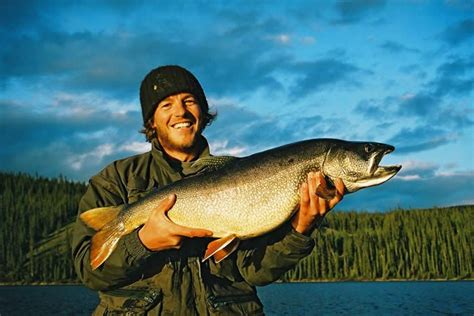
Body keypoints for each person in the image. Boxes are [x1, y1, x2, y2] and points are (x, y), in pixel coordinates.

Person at [71, 65, 345, 315]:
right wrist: (142, 242)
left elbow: (255, 272)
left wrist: (301, 229)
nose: (180, 112)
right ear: (151, 121)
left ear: (203, 112)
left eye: (189, 101)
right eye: (166, 104)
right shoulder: (115, 179)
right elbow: (92, 274)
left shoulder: (243, 175)